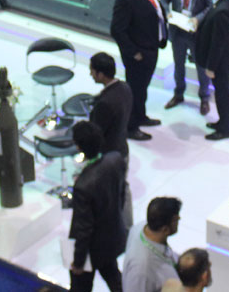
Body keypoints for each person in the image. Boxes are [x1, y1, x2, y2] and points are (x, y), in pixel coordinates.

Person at [111, 0, 167, 141]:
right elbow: (117, 30)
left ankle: (140, 116)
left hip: (150, 49)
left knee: (141, 90)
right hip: (138, 55)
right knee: (135, 91)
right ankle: (131, 127)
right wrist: (134, 52)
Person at [68, 121, 128, 292]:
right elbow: (121, 196)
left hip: (93, 249)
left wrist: (78, 262)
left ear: (79, 147)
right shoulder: (115, 160)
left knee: (81, 286)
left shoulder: (83, 186)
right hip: (113, 236)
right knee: (113, 277)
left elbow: (83, 227)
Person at [160, 0, 212, 115]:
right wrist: (166, 12)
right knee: (178, 65)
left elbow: (210, 7)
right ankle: (178, 94)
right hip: (178, 30)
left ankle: (204, 97)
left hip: (196, 33)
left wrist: (198, 19)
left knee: (201, 68)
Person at [195, 0, 229, 141]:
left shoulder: (223, 10)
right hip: (222, 59)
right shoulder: (225, 2)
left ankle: (225, 129)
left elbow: (218, 42)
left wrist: (211, 67)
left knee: (223, 94)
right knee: (222, 93)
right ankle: (222, 123)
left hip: (220, 62)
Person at [123, 197, 182, 292]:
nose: (179, 219)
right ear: (165, 229)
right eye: (176, 220)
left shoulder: (144, 227)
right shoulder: (142, 269)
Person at [88, 52, 132, 162]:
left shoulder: (104, 104)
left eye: (92, 71)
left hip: (109, 155)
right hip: (122, 148)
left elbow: (97, 133)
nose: (90, 74)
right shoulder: (125, 87)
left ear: (100, 74)